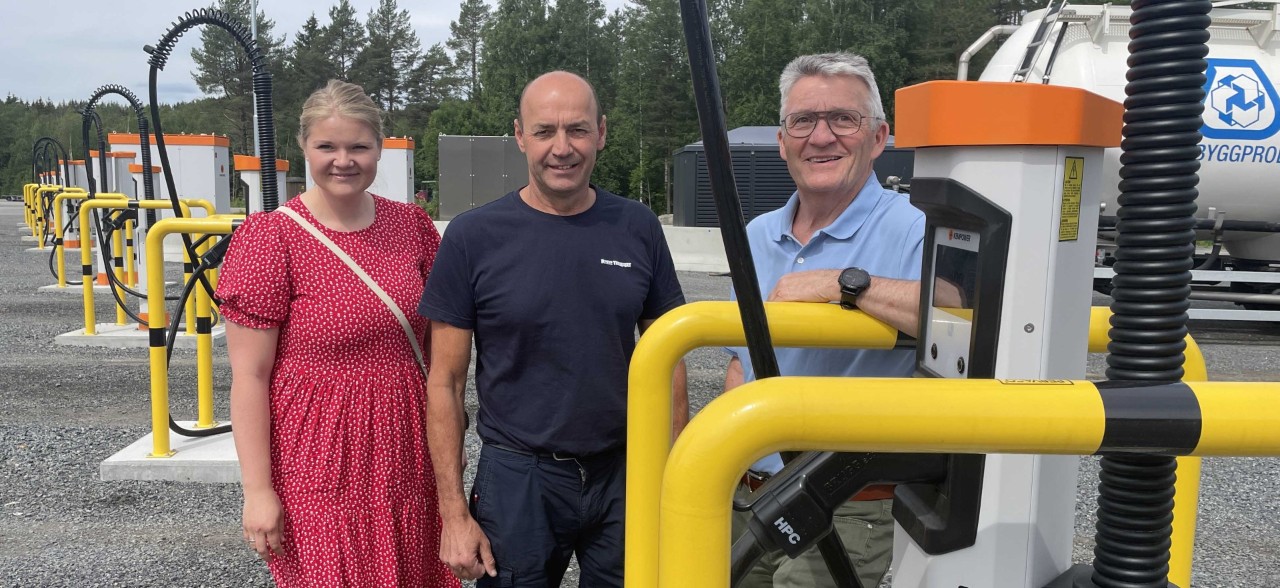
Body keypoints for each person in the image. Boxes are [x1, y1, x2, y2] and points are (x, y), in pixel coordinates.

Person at [418, 70, 688, 587]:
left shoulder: (637, 227)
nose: (562, 148)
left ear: (602, 133)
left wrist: (669, 478)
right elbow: (445, 383)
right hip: (520, 478)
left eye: (578, 130)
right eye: (545, 131)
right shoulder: (473, 237)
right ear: (520, 136)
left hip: (623, 471)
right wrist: (453, 515)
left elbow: (669, 359)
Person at [218, 79, 459, 588]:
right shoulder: (271, 237)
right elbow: (250, 377)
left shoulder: (411, 226)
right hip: (317, 454)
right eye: (327, 146)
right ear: (304, 148)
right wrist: (257, 490)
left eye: (359, 146)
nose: (343, 160)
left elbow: (444, 354)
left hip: (405, 449)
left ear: (379, 150)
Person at [725, 52, 925, 588]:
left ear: (879, 138)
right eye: (804, 121)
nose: (821, 137)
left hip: (843, 503)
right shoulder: (757, 235)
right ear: (781, 139)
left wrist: (843, 284)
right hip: (748, 497)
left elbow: (955, 312)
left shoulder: (913, 230)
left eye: (843, 119)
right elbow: (738, 366)